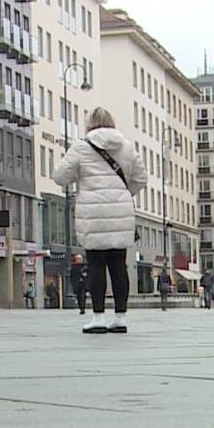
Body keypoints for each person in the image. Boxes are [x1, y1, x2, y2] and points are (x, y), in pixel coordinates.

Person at [52, 108, 147, 334]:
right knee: (118, 265)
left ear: (89, 124)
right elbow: (141, 179)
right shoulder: (126, 146)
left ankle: (98, 317)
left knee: (95, 264)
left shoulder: (81, 146)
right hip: (121, 211)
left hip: (92, 211)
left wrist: (80, 179)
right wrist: (122, 193)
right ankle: (121, 317)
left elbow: (60, 177)